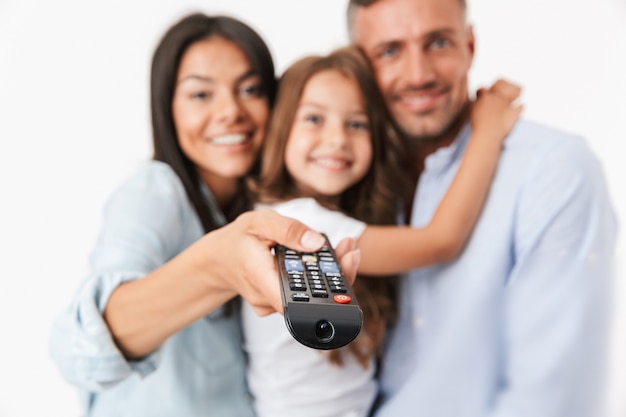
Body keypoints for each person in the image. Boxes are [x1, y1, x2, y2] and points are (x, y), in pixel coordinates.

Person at [48, 13, 360, 417]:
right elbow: (78, 349)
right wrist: (218, 268)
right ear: (167, 108)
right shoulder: (154, 192)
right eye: (201, 94)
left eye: (250, 89)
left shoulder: (262, 209)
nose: (230, 111)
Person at [346, 0, 618, 416]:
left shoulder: (552, 170)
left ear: (469, 46)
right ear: (359, 67)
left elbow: (551, 396)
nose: (418, 75)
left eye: (438, 43)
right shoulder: (346, 180)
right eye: (390, 51)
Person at [241, 46, 521, 417]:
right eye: (314, 119)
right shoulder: (303, 225)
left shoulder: (292, 213)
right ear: (281, 128)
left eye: (356, 124)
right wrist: (487, 131)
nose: (337, 138)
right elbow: (442, 241)